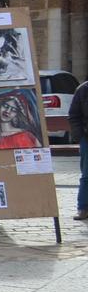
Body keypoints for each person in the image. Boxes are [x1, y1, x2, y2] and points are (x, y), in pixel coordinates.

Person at [69, 79, 88, 220]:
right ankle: (83, 208)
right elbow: (74, 115)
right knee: (86, 174)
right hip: (87, 138)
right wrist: (80, 136)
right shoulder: (83, 89)